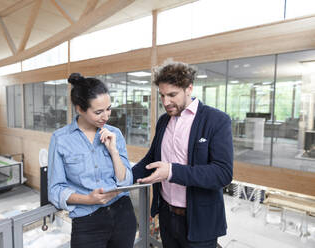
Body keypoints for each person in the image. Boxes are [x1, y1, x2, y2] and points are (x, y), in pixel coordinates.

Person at [133, 61, 233, 248]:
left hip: (200, 222)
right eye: (162, 95)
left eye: (172, 95)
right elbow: (151, 159)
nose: (165, 102)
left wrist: (171, 172)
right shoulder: (164, 121)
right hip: (167, 217)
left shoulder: (216, 120)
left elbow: (223, 173)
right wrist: (122, 179)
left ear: (189, 88)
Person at [48, 73, 137, 248]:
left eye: (108, 109)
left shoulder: (115, 134)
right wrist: (88, 199)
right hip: (87, 222)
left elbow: (126, 180)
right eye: (98, 112)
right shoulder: (60, 139)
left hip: (123, 215)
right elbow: (55, 189)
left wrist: (113, 151)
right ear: (80, 109)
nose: (106, 116)